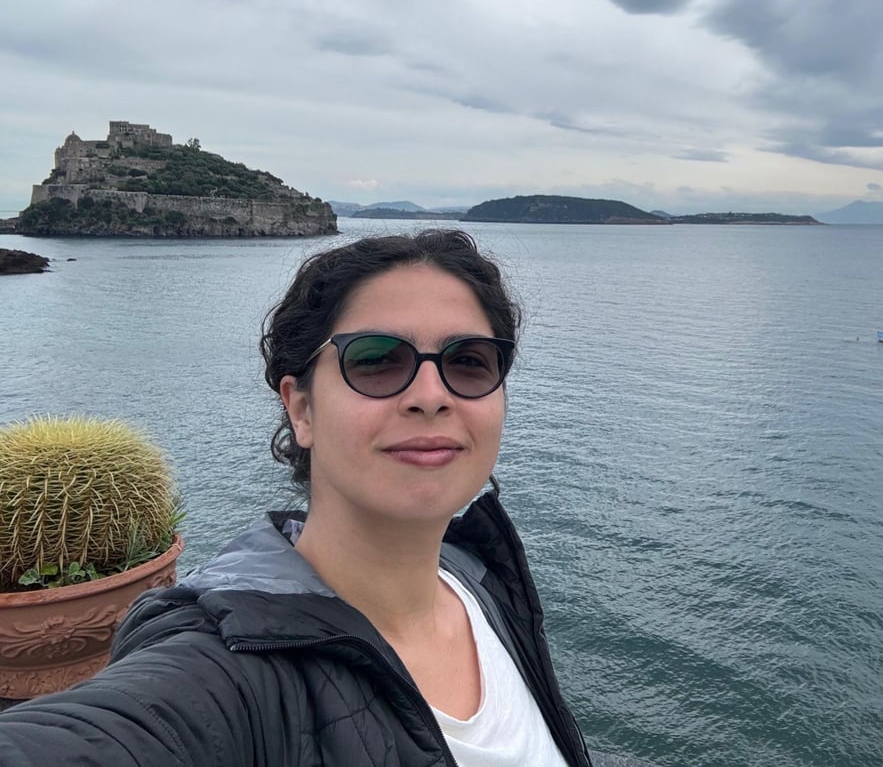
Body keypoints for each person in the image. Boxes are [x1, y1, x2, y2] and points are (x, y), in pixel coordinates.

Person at [0, 229, 593, 766]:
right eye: (376, 360)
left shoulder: (482, 580)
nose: (431, 395)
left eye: (468, 362)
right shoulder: (226, 669)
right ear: (301, 409)